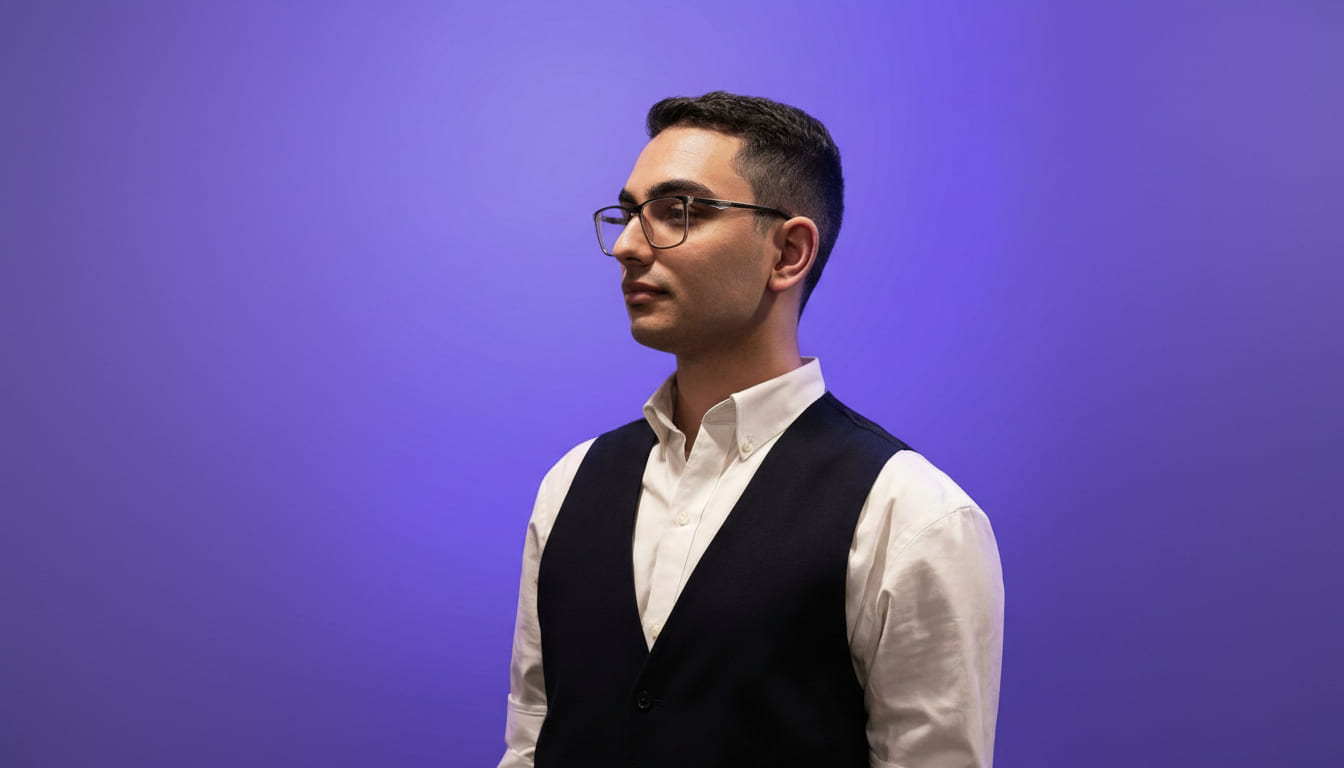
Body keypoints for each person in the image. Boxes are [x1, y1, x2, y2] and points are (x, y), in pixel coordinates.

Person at [498, 91, 1004, 768]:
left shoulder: (910, 515)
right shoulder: (570, 485)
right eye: (628, 214)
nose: (626, 246)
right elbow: (531, 745)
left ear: (788, 252)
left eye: (678, 211)